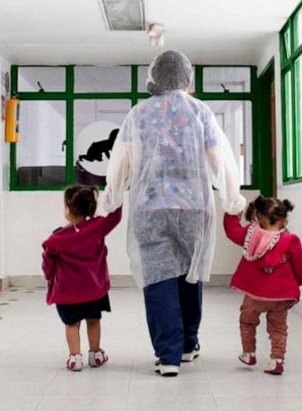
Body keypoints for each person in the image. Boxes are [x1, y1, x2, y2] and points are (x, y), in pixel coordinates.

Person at [100, 50, 246, 377]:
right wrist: (232, 198)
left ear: (154, 76)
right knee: (189, 273)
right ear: (186, 77)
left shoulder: (139, 114)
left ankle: (168, 356)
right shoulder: (200, 112)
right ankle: (188, 344)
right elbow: (218, 158)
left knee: (159, 278)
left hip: (150, 207)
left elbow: (121, 160)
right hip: (194, 207)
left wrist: (110, 199)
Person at [223, 196, 302, 375]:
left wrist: (232, 214)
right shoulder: (291, 240)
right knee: (278, 327)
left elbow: (232, 232)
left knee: (247, 321)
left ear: (259, 217)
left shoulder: (250, 235)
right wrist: (297, 283)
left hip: (255, 295)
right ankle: (276, 359)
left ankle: (249, 353)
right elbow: (301, 265)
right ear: (285, 220)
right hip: (281, 296)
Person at [42, 185, 122, 371]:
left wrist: (48, 277)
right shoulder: (97, 227)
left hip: (67, 293)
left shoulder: (56, 239)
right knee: (94, 320)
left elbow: (48, 264)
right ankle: (95, 354)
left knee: (71, 324)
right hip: (94, 290)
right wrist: (117, 195)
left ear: (68, 210)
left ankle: (75, 357)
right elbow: (115, 217)